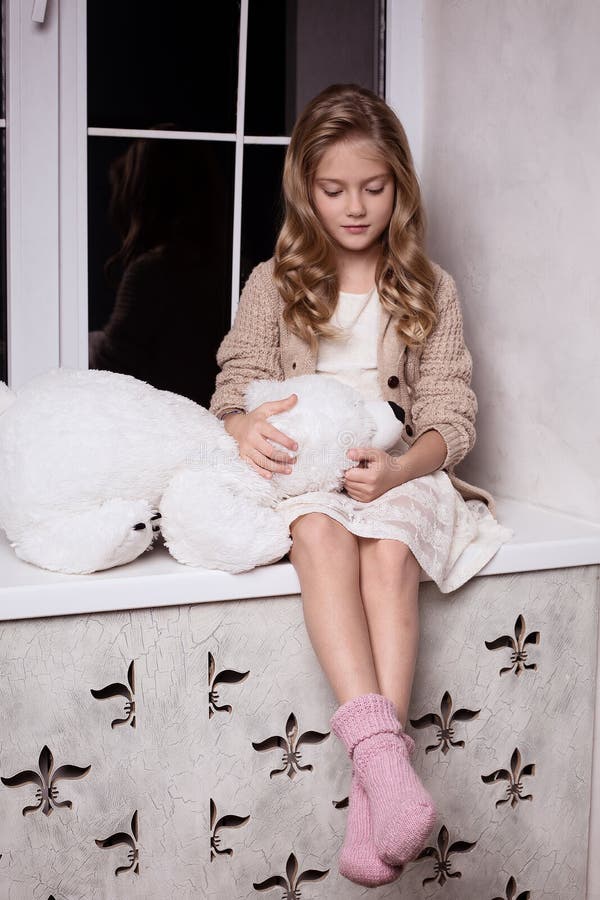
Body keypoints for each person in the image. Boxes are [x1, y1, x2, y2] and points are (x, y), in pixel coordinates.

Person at [208, 83, 513, 888]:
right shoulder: (272, 282)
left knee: (387, 551)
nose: (354, 207)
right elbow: (233, 382)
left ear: (400, 188)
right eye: (334, 189)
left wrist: (401, 470)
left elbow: (453, 413)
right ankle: (383, 766)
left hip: (400, 471)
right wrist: (244, 428)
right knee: (318, 531)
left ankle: (370, 800)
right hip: (313, 484)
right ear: (304, 189)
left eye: (374, 189)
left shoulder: (428, 286)